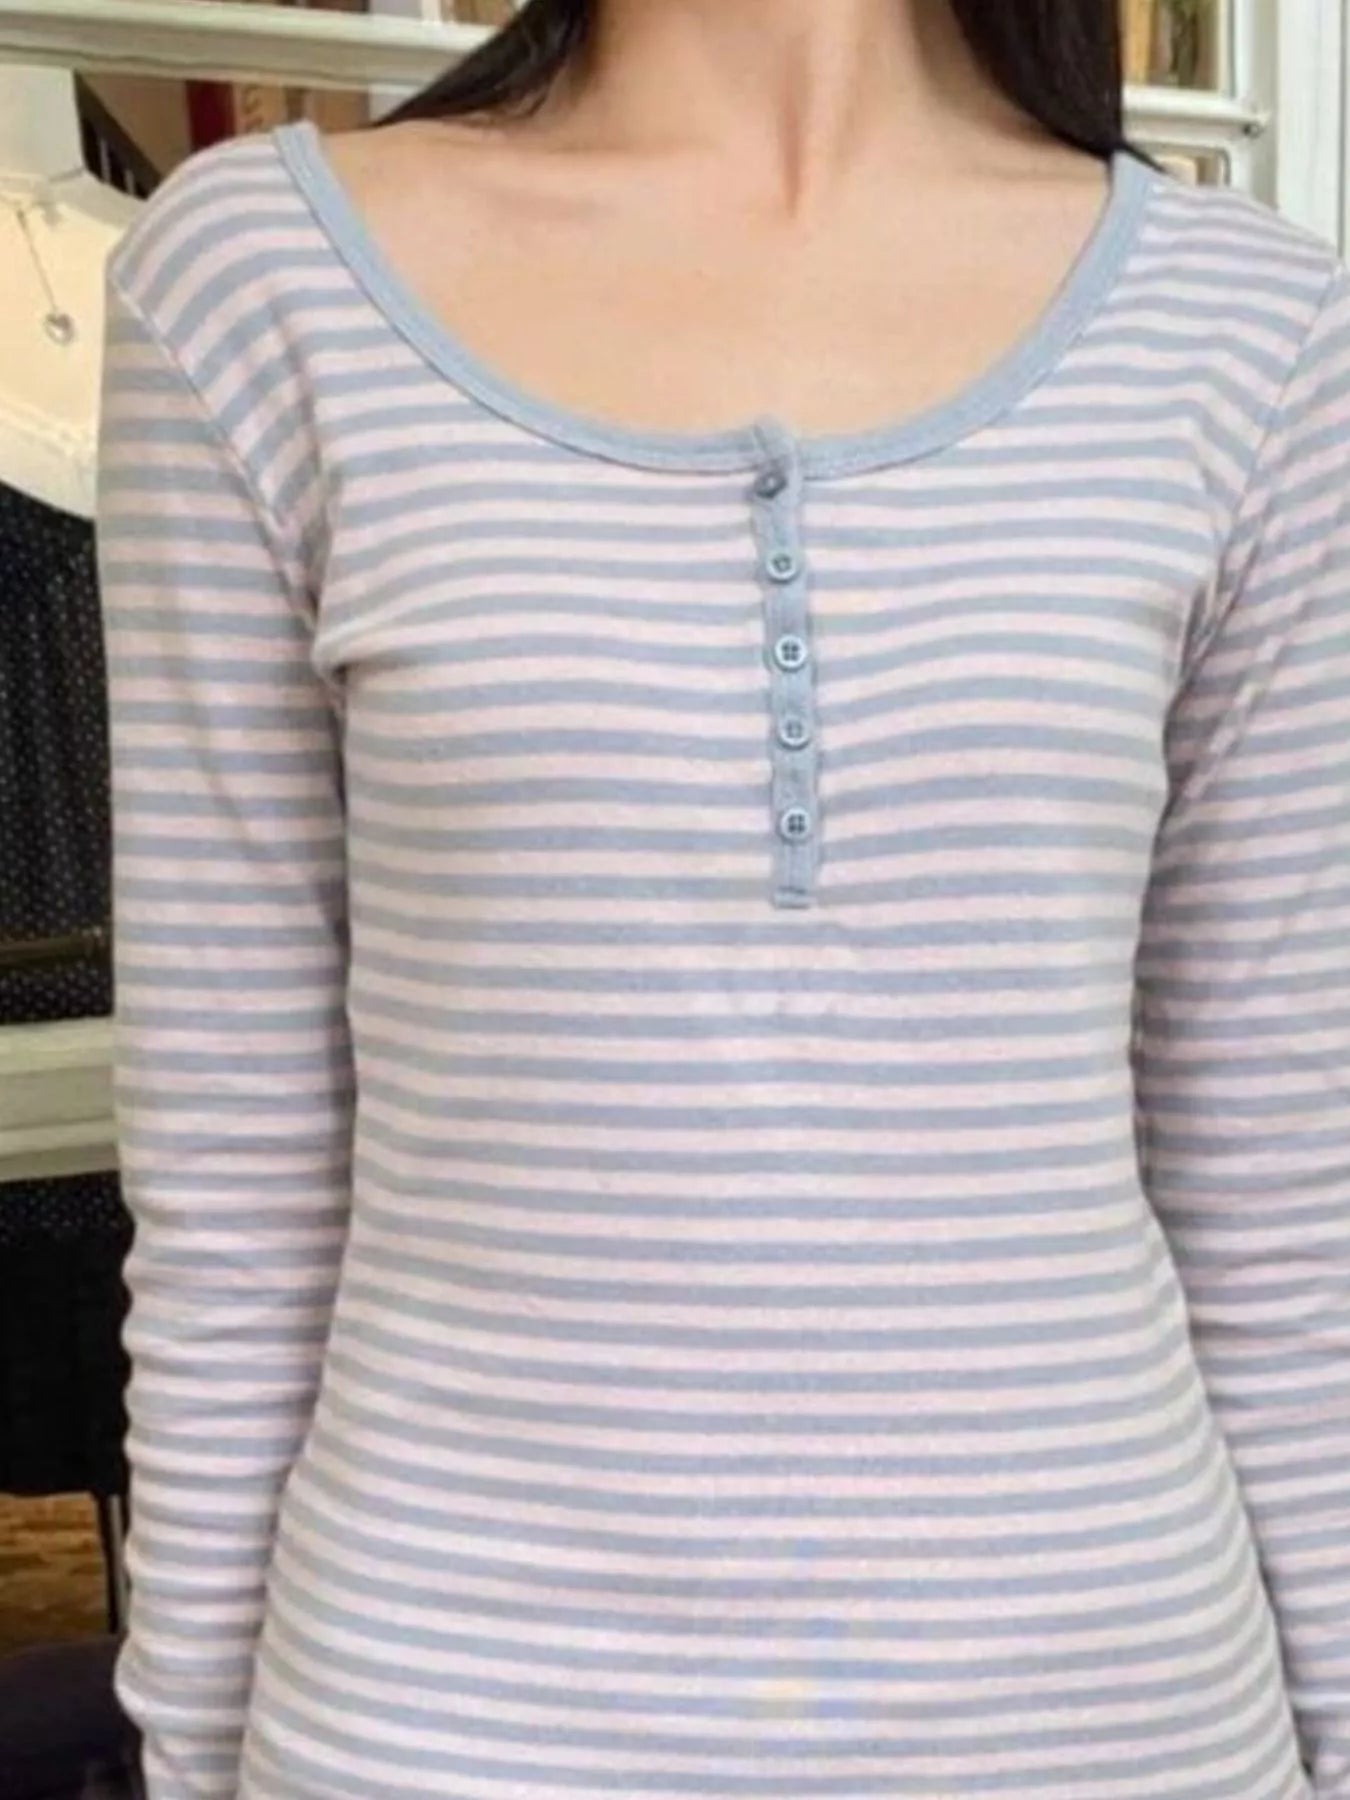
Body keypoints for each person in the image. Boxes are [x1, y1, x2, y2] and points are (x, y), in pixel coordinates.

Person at [94, 1, 1350, 1796]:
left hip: (1112, 1712)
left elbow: (1282, 1206)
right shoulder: (253, 284)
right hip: (445, 1715)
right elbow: (238, 1183)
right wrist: (195, 1752)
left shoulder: (1256, 334)